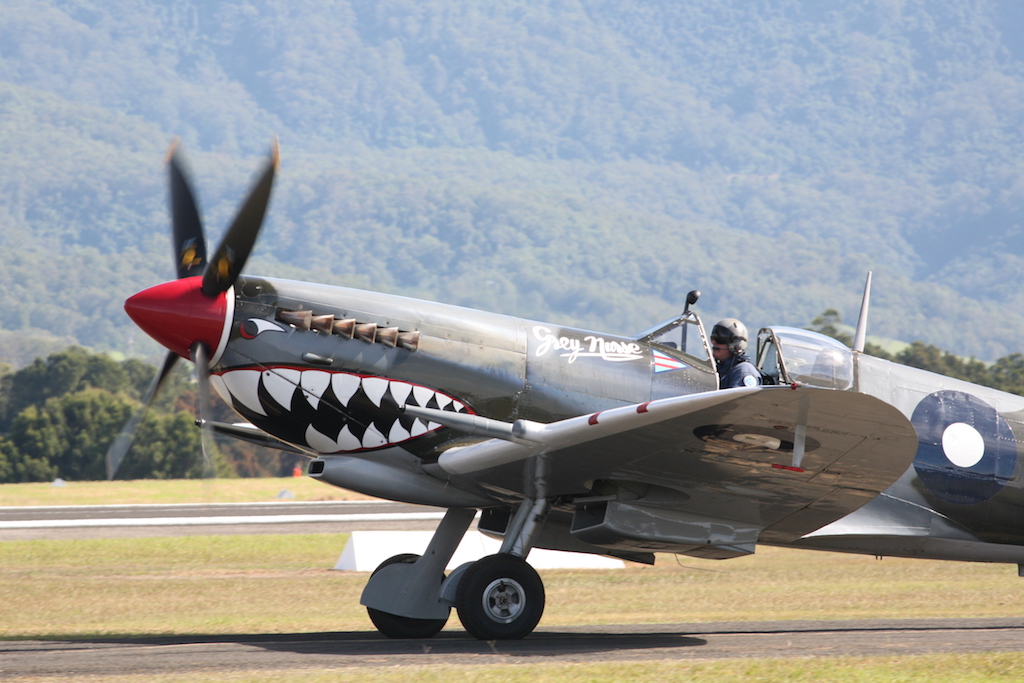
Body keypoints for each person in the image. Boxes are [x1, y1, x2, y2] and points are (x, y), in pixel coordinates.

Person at [710, 318, 762, 389]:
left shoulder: (743, 371)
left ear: (735, 345)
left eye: (720, 340)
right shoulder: (720, 370)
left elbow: (739, 399)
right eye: (713, 338)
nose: (713, 342)